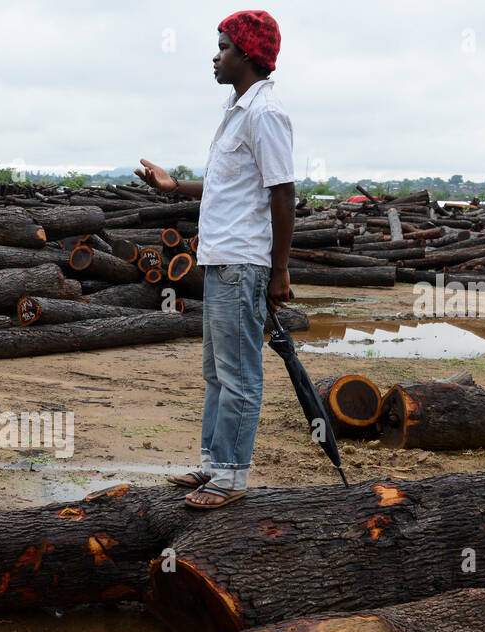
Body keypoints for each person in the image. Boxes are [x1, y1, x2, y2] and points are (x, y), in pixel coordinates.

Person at [135, 10, 295, 508]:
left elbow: (283, 192)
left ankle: (231, 477)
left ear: (248, 54)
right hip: (221, 259)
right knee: (216, 373)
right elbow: (229, 182)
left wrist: (280, 268)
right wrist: (173, 185)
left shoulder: (265, 114)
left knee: (240, 373)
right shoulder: (237, 109)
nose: (215, 55)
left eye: (223, 46)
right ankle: (212, 463)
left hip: (244, 263)